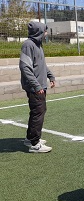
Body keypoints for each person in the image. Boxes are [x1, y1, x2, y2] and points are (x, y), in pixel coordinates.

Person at [19, 22, 55, 153]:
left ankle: (30, 138)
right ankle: (35, 143)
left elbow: (42, 65)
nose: (46, 33)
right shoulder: (28, 45)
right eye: (44, 31)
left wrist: (51, 76)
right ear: (38, 31)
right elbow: (25, 67)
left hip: (40, 86)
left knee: (37, 111)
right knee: (38, 113)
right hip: (35, 87)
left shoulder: (38, 45)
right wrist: (36, 85)